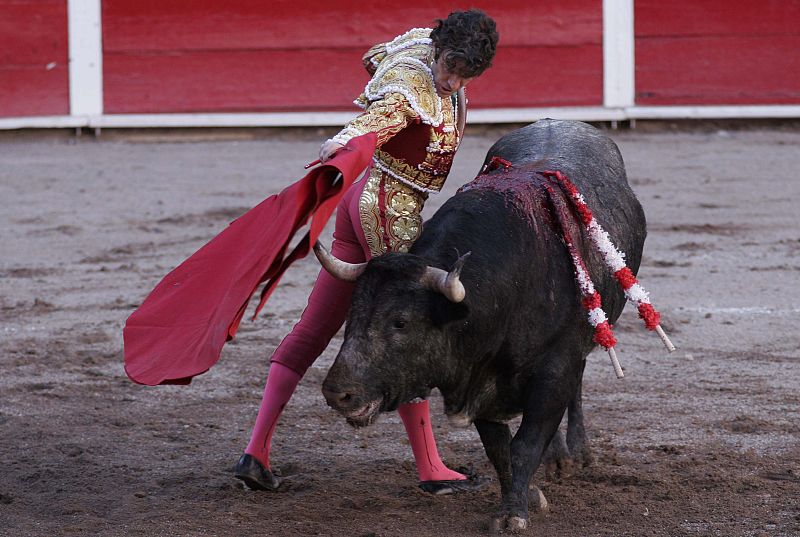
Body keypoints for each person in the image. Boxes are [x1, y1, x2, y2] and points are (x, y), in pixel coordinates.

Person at [234, 9, 499, 495]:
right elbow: (382, 114)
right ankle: (431, 468)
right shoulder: (410, 85)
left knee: (314, 326)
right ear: (439, 50)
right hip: (388, 207)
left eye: (465, 73)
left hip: (359, 202)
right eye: (449, 66)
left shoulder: (419, 43)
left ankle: (256, 451)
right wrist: (344, 142)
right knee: (407, 326)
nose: (452, 80)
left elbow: (371, 57)